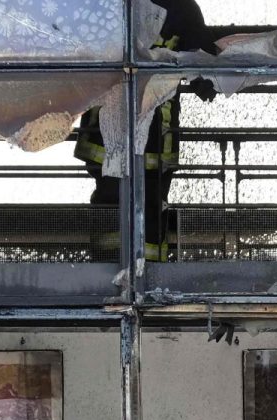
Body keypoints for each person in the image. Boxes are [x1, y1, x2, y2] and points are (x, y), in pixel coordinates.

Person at [73, 0, 210, 262]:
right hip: (142, 135)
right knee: (139, 205)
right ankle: (138, 274)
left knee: (120, 204)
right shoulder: (181, 8)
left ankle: (116, 271)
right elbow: (207, 68)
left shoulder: (106, 4)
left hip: (115, 133)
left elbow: (206, 65)